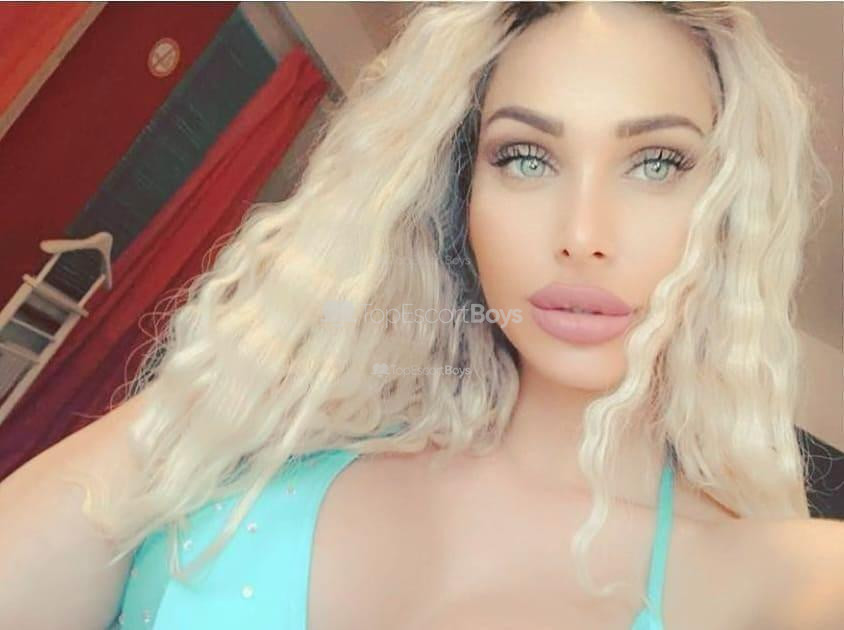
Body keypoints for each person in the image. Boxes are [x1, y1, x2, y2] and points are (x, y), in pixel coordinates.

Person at [1, 2, 841, 629]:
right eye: (525, 157)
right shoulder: (267, 429)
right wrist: (278, 344)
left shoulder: (787, 584)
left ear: (729, 213)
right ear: (455, 196)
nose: (583, 234)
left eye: (657, 163)